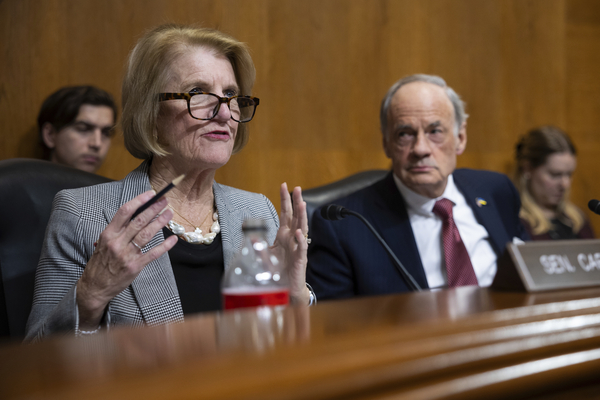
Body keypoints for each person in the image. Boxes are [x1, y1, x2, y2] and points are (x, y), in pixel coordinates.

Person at [26, 24, 312, 341]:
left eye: (230, 95)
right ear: (151, 112)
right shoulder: (82, 213)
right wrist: (90, 296)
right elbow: (38, 359)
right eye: (198, 94)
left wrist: (294, 294)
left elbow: (289, 349)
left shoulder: (256, 211)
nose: (224, 114)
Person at [307, 74, 528, 300]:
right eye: (405, 134)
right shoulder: (344, 226)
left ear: (460, 138)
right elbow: (333, 323)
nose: (421, 149)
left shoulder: (497, 190)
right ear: (386, 144)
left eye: (435, 132)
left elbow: (529, 275)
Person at [515, 125, 594, 240]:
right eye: (555, 175)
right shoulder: (517, 223)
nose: (565, 184)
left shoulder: (578, 219)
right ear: (527, 168)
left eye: (569, 174)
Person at [38, 85, 117, 173]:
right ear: (50, 134)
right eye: (83, 129)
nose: (97, 144)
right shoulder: (25, 185)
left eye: (106, 133)